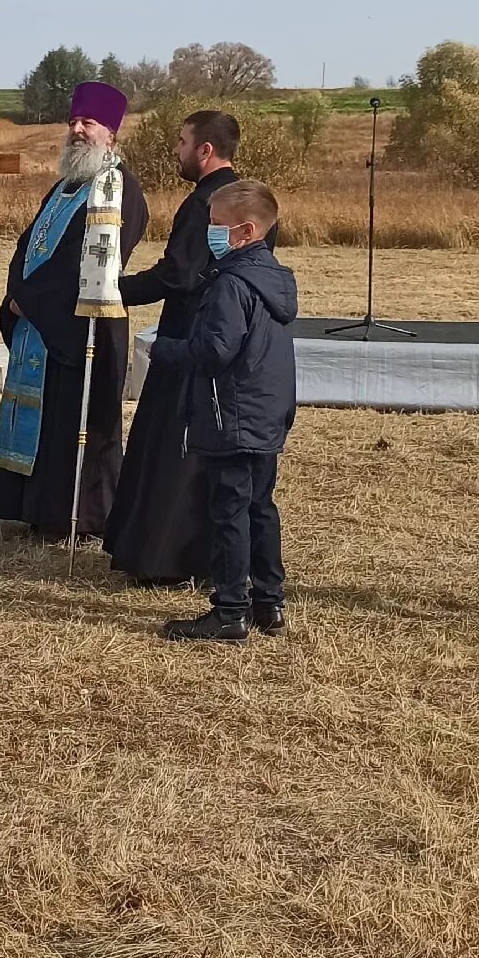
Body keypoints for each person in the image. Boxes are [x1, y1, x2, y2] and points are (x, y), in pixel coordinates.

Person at [0, 81, 146, 542]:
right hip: (41, 324)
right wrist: (17, 292)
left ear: (110, 134)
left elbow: (92, 260)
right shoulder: (63, 187)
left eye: (88, 123)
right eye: (73, 122)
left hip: (84, 328)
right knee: (45, 419)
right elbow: (27, 246)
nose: (77, 130)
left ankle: (78, 516)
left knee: (75, 423)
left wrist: (30, 299)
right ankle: (34, 507)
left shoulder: (118, 189)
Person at [155, 179, 298, 643]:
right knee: (260, 506)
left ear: (246, 231)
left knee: (229, 510)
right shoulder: (270, 279)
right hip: (264, 410)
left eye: (216, 225)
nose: (209, 234)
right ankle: (268, 601)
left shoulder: (231, 285)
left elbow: (216, 350)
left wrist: (167, 350)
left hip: (231, 412)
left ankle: (230, 609)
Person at [106, 109, 244, 585]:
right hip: (232, 340)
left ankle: (165, 557)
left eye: (183, 142)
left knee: (173, 448)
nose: (178, 151)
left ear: (205, 149)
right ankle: (207, 557)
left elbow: (178, 274)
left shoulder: (204, 203)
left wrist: (115, 289)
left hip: (190, 339)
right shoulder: (250, 200)